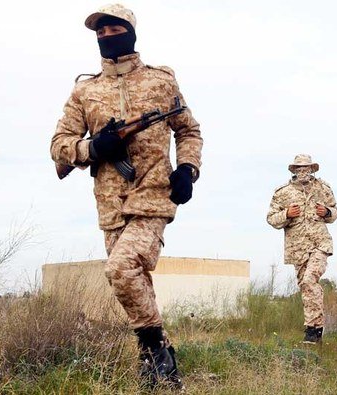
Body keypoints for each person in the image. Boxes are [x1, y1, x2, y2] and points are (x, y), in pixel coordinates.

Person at [50, 4, 202, 387]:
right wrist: (93, 149)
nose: (105, 37)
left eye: (113, 29)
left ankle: (154, 353)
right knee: (135, 281)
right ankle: (161, 367)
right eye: (99, 32)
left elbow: (189, 130)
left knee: (120, 268)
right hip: (111, 204)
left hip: (153, 195)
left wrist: (187, 169)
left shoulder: (161, 81)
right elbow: (59, 146)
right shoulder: (85, 90)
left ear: (130, 32)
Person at [266, 154, 337, 344]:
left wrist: (327, 212)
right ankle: (317, 328)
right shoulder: (282, 192)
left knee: (309, 280)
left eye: (306, 168)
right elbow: (271, 219)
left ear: (313, 169)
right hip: (297, 249)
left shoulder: (323, 189)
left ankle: (311, 329)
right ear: (293, 170)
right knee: (306, 287)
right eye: (299, 168)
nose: (303, 171)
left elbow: (335, 212)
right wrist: (286, 214)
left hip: (320, 244)